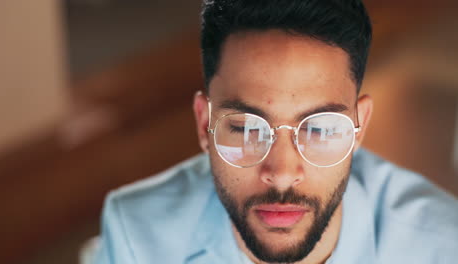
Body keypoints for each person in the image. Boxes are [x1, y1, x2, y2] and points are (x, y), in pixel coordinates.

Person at [93, 1, 458, 263]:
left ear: (358, 128)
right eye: (246, 128)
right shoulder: (136, 235)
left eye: (319, 129)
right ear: (205, 125)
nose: (282, 173)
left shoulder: (443, 245)